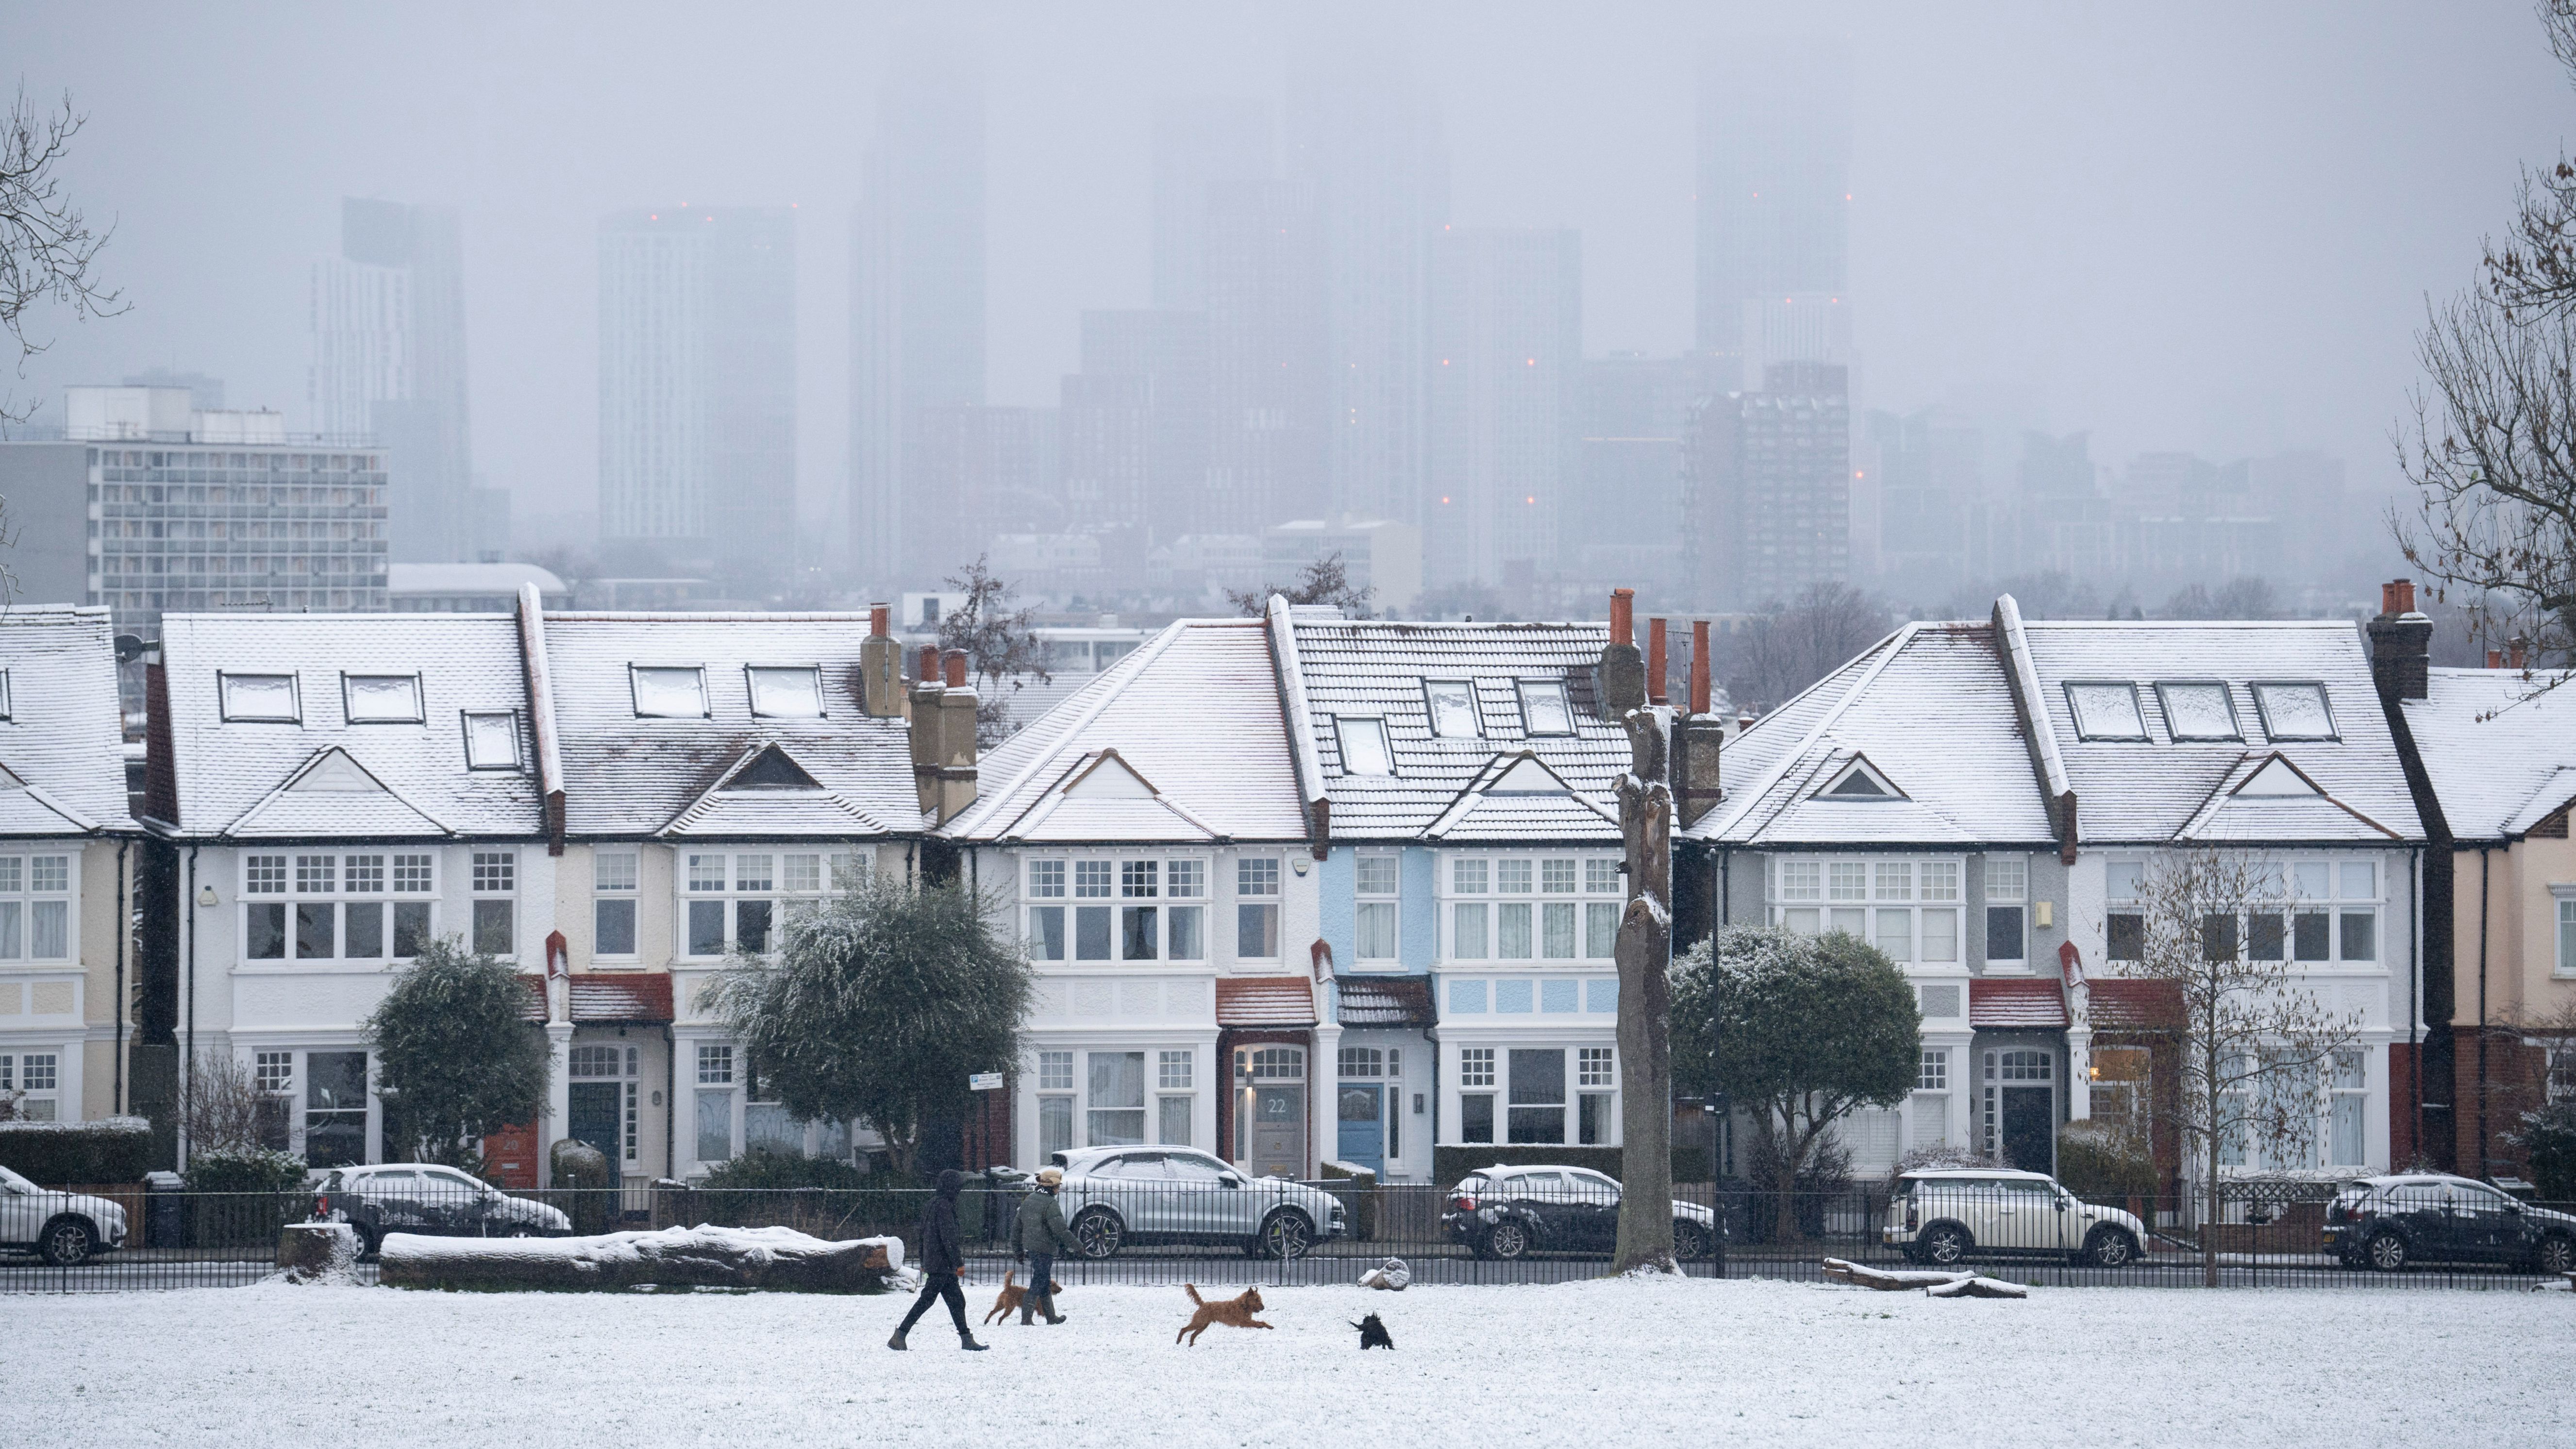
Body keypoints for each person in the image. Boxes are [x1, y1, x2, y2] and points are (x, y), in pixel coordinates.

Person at [889, 1168, 985, 1351]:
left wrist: (924, 1260)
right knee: (927, 1301)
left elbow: (922, 1234)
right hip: (943, 1265)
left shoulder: (933, 1203)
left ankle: (966, 1339)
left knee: (957, 1301)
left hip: (937, 1263)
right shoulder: (944, 1206)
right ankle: (899, 1335)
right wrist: (958, 1263)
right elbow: (949, 1238)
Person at [1011, 1166, 1079, 1325]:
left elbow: (1016, 1227)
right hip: (1045, 1249)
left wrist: (1018, 1251)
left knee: (1043, 1280)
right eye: (1058, 1186)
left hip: (1032, 1248)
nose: (1059, 1189)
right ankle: (1026, 1319)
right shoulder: (1050, 1203)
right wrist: (1077, 1246)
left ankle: (1051, 1318)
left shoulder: (1029, 1200)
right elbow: (1061, 1230)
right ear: (1053, 1186)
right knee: (1039, 1281)